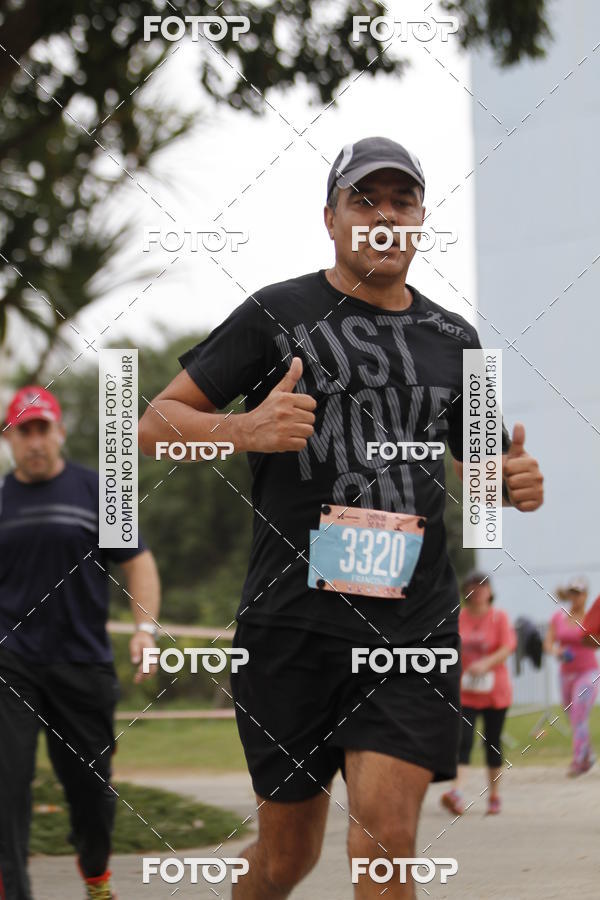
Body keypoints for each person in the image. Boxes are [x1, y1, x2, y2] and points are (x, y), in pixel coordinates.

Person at [139, 136, 544, 899]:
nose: (386, 216)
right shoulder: (274, 314)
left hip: (411, 628)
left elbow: (484, 475)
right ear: (331, 218)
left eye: (403, 201)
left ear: (422, 219)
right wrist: (244, 430)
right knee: (288, 859)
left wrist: (512, 482)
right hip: (291, 627)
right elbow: (149, 425)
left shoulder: (459, 341)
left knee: (384, 845)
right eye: (366, 200)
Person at [0, 386, 161, 900]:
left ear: (59, 430)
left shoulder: (98, 491)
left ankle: (95, 874)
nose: (34, 441)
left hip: (81, 663)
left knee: (91, 794)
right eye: (23, 431)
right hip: (11, 661)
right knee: (6, 786)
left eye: (42, 428)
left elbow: (138, 563)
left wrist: (144, 630)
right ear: (10, 438)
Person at [441, 572, 516, 817]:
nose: (479, 592)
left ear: (490, 592)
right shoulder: (459, 618)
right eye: (473, 588)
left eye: (483, 587)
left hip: (495, 691)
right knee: (463, 741)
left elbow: (507, 647)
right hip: (467, 692)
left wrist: (486, 663)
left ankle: (494, 795)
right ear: (466, 592)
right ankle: (457, 793)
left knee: (492, 743)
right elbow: (449, 648)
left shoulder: (499, 617)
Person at [544, 577, 598, 776]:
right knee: (573, 717)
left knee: (579, 713)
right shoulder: (558, 618)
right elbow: (548, 643)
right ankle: (588, 756)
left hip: (589, 672)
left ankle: (578, 760)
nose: (576, 597)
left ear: (586, 596)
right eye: (573, 593)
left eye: (580, 593)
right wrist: (556, 652)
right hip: (566, 675)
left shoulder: (592, 618)